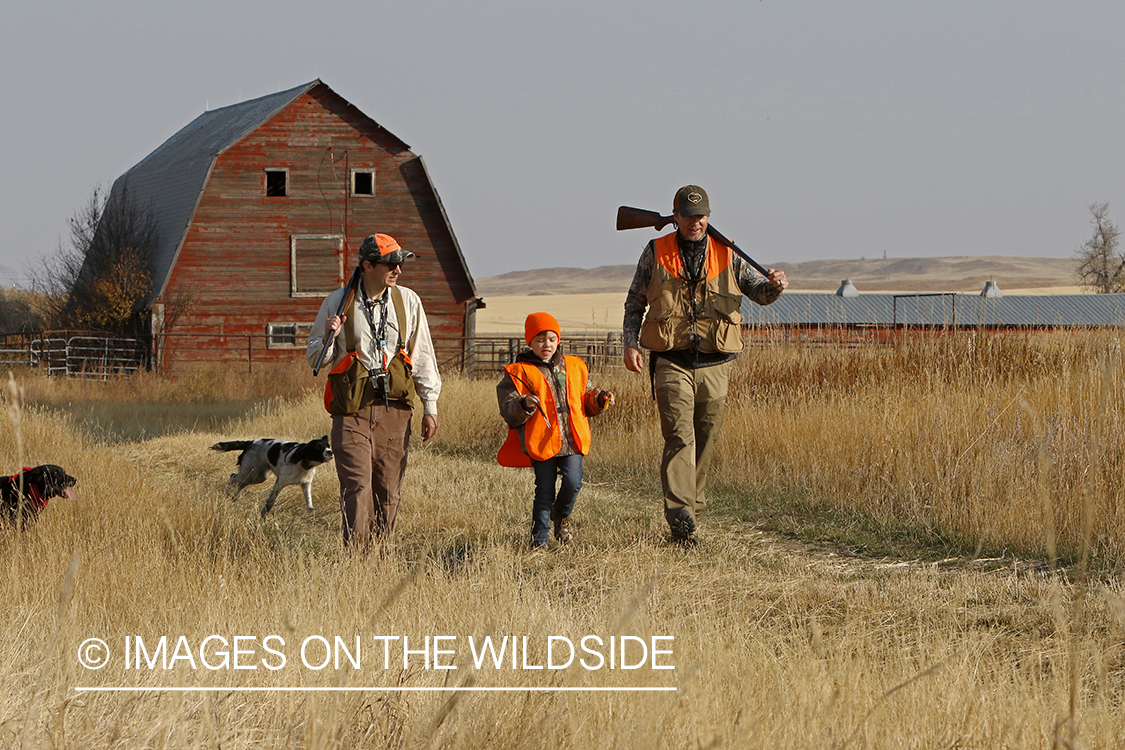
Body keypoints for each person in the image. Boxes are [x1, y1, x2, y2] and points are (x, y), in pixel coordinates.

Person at [622, 185, 788, 545]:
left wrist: (775, 285)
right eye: (688, 216)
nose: (696, 222)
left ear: (708, 217)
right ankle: (680, 515)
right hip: (671, 360)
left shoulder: (727, 252)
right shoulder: (656, 251)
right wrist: (629, 344)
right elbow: (634, 301)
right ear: (675, 217)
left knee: (706, 438)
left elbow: (759, 293)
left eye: (701, 216)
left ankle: (690, 511)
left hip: (716, 363)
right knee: (680, 436)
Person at [307, 233, 441, 548]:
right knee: (356, 485)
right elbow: (316, 358)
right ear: (368, 265)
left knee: (388, 490)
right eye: (390, 264)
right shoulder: (337, 301)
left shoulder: (408, 301)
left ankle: (380, 559)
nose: (398, 270)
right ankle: (357, 561)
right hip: (352, 410)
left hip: (396, 410)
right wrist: (329, 334)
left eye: (399, 263)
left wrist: (430, 406)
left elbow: (422, 356)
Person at [497, 312, 614, 549]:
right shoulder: (519, 371)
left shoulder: (574, 366)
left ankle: (561, 515)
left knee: (573, 482)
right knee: (544, 491)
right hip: (542, 440)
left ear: (558, 339)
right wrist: (523, 404)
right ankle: (539, 541)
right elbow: (508, 407)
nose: (546, 344)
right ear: (529, 342)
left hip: (572, 439)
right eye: (540, 339)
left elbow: (585, 399)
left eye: (551, 338)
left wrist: (599, 399)